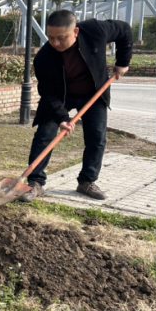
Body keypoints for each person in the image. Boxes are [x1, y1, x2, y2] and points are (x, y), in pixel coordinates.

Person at [20, 10, 132, 203]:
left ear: (75, 32)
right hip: (60, 96)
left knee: (96, 137)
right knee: (44, 135)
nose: (55, 43)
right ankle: (35, 182)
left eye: (61, 38)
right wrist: (62, 118)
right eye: (51, 37)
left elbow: (124, 30)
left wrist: (123, 62)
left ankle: (87, 181)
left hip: (93, 93)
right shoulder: (44, 58)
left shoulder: (95, 30)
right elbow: (47, 94)